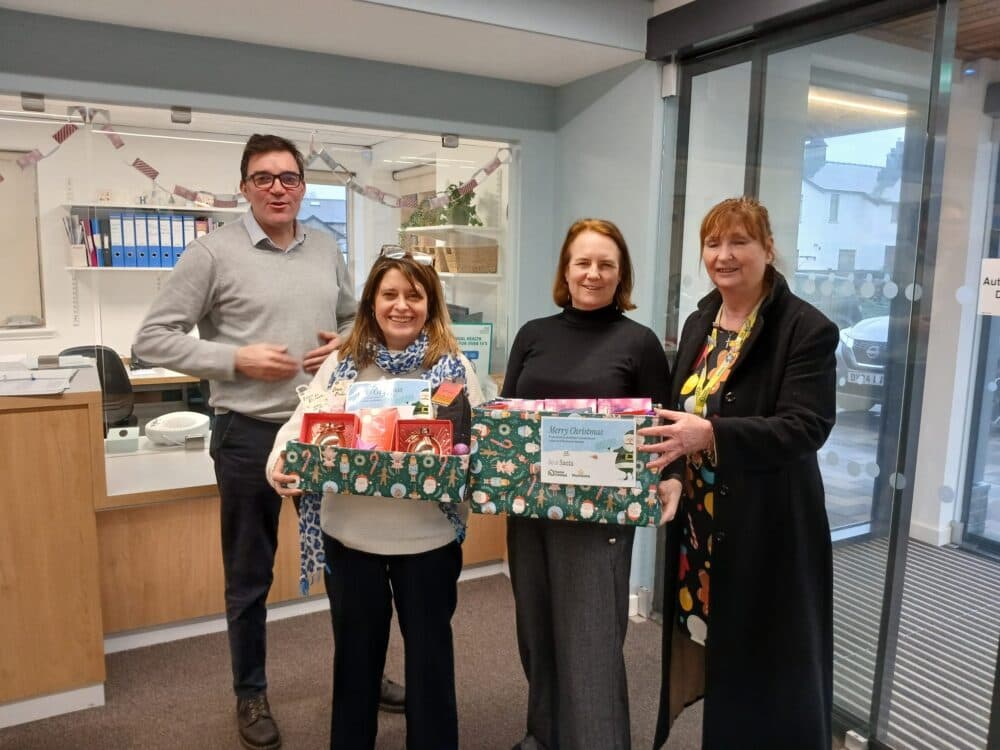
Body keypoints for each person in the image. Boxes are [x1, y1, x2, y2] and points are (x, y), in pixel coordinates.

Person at [133, 134, 401, 750]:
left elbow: (351, 316)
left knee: (350, 564)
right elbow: (152, 338)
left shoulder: (325, 246)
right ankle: (249, 693)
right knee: (250, 574)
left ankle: (364, 675)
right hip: (248, 435)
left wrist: (344, 339)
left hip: (323, 430)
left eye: (288, 177)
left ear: (303, 186)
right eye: (263, 178)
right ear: (245, 186)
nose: (277, 188)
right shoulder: (210, 253)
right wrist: (234, 358)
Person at [638, 197, 838, 749]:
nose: (724, 255)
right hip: (704, 527)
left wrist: (714, 434)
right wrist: (675, 470)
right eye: (713, 243)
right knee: (719, 657)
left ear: (768, 249)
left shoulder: (805, 329)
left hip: (766, 528)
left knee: (768, 672)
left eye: (740, 242)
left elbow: (806, 426)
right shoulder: (701, 320)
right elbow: (678, 414)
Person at [267, 251, 484, 750]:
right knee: (355, 660)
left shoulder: (456, 371)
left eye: (414, 295)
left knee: (430, 661)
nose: (401, 306)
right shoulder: (342, 366)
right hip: (351, 537)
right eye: (390, 294)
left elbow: (479, 444)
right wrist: (279, 461)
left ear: (431, 303)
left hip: (428, 539)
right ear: (371, 302)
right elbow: (300, 425)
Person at [501, 219, 671, 750]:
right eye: (583, 262)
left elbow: (664, 425)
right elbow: (509, 417)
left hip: (600, 518)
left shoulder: (639, 343)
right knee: (537, 631)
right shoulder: (533, 334)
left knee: (591, 641)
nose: (593, 274)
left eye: (606, 265)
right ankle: (545, 734)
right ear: (566, 270)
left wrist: (671, 480)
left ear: (621, 275)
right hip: (529, 507)